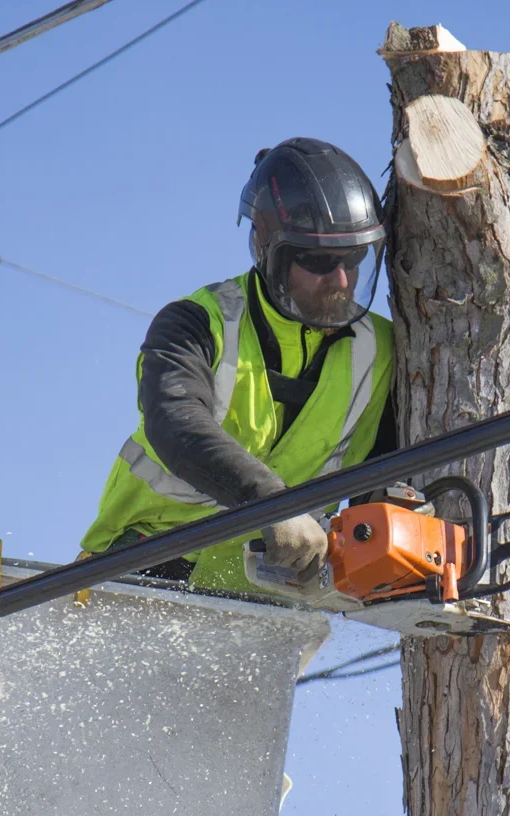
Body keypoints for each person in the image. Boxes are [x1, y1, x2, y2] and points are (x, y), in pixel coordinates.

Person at [79, 137, 397, 594]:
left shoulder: (382, 353)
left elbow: (383, 483)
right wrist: (272, 504)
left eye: (353, 260)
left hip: (271, 595)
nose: (341, 280)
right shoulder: (196, 323)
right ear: (269, 250)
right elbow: (174, 422)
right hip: (149, 560)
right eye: (319, 262)